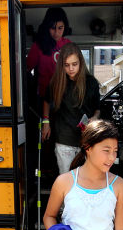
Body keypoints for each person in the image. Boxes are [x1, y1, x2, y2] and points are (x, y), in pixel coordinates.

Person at [43, 43, 101, 173]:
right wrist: (45, 122)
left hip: (86, 140)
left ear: (81, 62)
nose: (71, 69)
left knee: (86, 180)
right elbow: (46, 101)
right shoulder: (56, 82)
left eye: (74, 64)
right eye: (67, 65)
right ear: (61, 65)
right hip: (64, 139)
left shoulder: (91, 82)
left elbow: (97, 108)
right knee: (66, 180)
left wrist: (95, 117)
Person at [26, 7, 72, 100]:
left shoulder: (68, 45)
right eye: (52, 28)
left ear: (65, 27)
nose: (56, 32)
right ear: (47, 27)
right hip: (44, 97)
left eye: (60, 28)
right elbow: (26, 70)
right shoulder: (38, 46)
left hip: (65, 97)